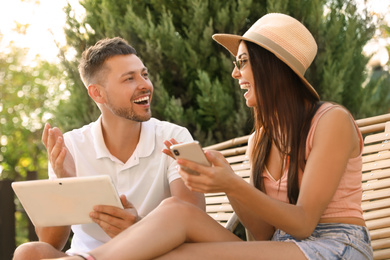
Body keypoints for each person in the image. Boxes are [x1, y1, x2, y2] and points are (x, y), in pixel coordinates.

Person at [43, 13, 373, 260]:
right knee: (175, 213)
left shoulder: (331, 121)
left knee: (171, 240)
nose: (235, 73)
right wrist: (226, 183)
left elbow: (303, 224)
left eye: (242, 62)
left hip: (336, 246)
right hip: (283, 248)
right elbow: (261, 234)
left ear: (273, 66)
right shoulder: (261, 140)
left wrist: (231, 184)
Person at [13, 37, 205, 260]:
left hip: (154, 255)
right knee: (28, 252)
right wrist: (64, 183)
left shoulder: (176, 137)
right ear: (97, 93)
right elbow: (51, 243)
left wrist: (140, 229)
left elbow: (195, 224)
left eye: (144, 74)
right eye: (129, 79)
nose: (145, 84)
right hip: (84, 256)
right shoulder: (70, 146)